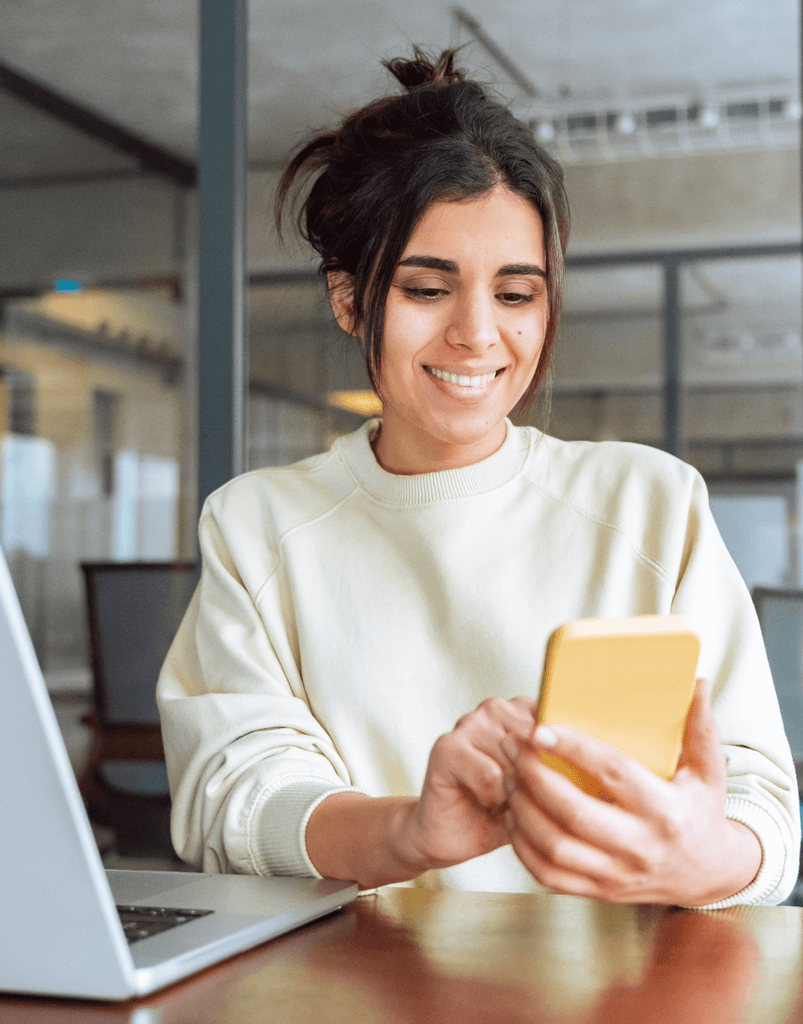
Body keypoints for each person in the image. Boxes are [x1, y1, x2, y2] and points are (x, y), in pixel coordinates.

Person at [157, 49, 800, 907]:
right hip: (353, 985)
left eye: (515, 295)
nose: (476, 335)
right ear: (350, 299)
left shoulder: (650, 504)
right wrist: (409, 831)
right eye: (427, 288)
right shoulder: (257, 524)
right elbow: (231, 797)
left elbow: (761, 811)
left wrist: (703, 860)